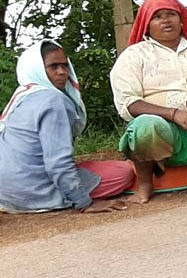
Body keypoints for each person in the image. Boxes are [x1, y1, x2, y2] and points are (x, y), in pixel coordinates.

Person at [0, 41, 134, 214]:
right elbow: (57, 162)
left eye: (64, 66)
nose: (62, 72)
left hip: (6, 192)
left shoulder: (22, 98)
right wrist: (83, 202)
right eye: (53, 67)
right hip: (34, 191)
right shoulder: (54, 100)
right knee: (124, 172)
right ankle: (55, 198)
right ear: (38, 69)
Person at [109, 0, 187, 202]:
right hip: (166, 133)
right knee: (145, 126)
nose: (166, 20)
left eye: (171, 14)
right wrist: (174, 114)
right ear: (147, 24)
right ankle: (145, 184)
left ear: (181, 20)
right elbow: (128, 103)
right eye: (157, 16)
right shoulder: (135, 55)